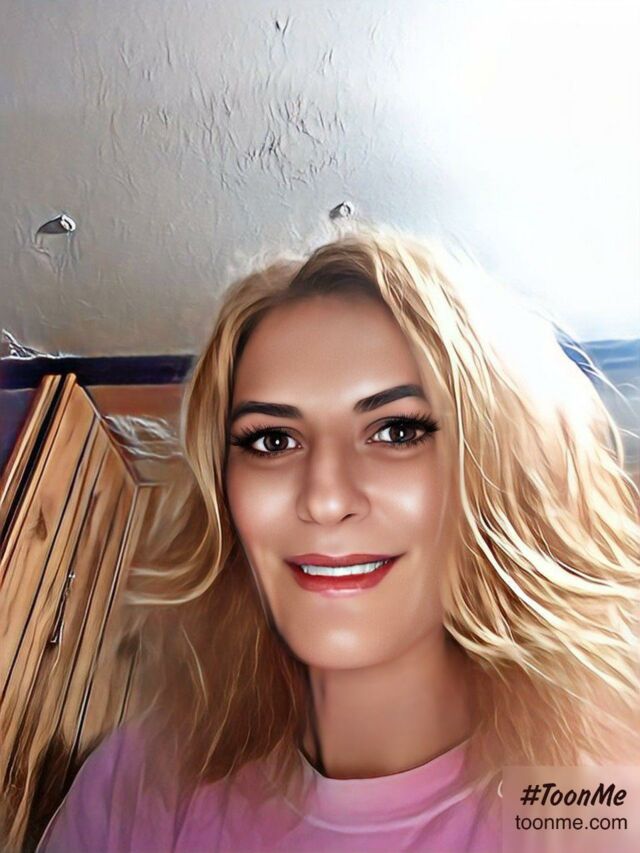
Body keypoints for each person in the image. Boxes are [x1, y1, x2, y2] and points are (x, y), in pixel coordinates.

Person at [38, 228, 640, 852]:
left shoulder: (603, 801)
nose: (324, 499)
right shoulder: (140, 782)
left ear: (501, 471)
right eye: (273, 440)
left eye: (397, 431)